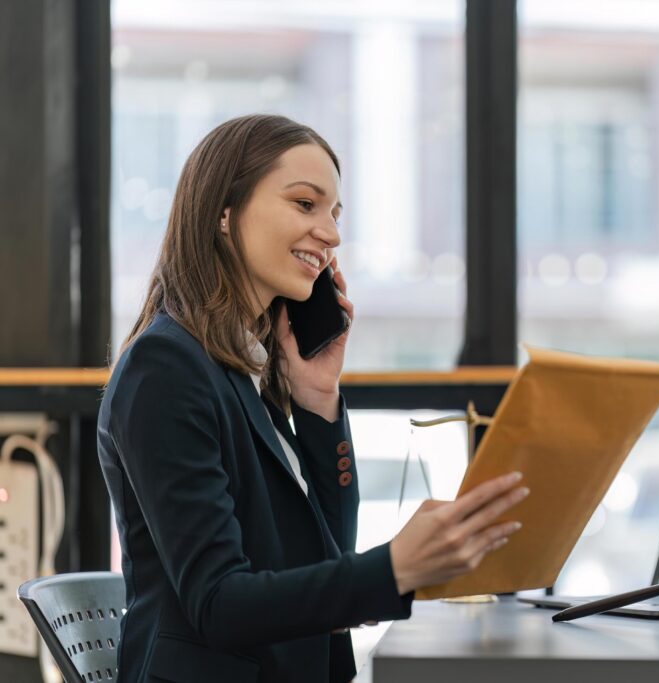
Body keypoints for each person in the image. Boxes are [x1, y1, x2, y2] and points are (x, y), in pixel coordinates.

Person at [97, 114, 528, 683]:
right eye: (305, 205)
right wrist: (397, 568)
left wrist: (319, 399)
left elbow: (320, 555)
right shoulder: (167, 368)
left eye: (334, 213)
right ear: (223, 212)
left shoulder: (249, 368)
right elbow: (219, 604)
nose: (331, 233)